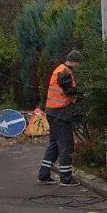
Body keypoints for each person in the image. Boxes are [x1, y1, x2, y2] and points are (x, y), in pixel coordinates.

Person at [37, 49, 82, 186]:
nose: (80, 66)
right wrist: (81, 95)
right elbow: (69, 91)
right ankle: (66, 178)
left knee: (54, 144)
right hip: (60, 114)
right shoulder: (65, 72)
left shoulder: (60, 69)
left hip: (52, 111)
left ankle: (43, 175)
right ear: (75, 62)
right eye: (79, 63)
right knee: (66, 145)